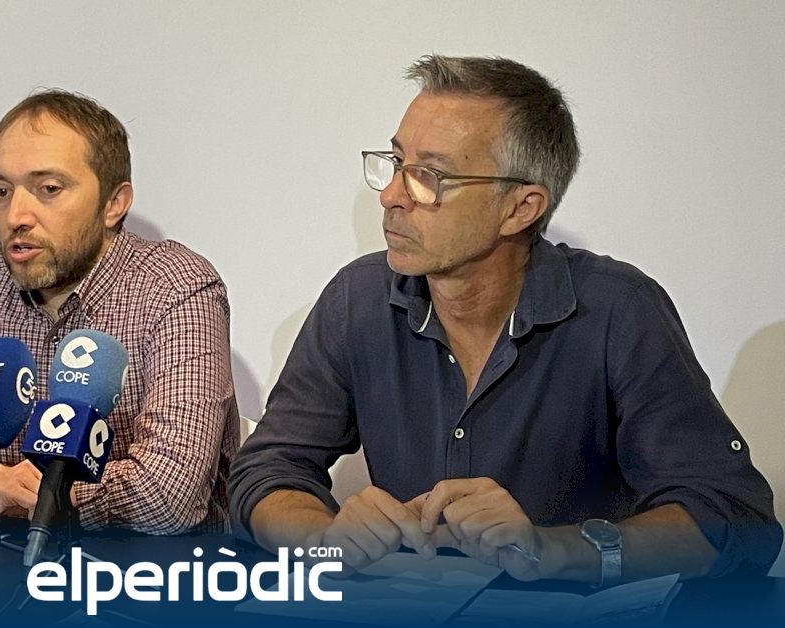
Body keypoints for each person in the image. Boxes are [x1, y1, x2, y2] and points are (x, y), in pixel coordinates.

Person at [230, 55, 781, 584]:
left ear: (521, 208)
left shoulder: (618, 309)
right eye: (396, 163)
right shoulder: (358, 299)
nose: (392, 196)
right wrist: (321, 540)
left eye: (429, 176)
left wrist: (553, 549)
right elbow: (267, 471)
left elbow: (733, 517)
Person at [0, 89, 239, 535]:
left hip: (137, 571)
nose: (16, 215)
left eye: (48, 189)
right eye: (1, 191)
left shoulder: (176, 286)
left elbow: (169, 495)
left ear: (114, 203)